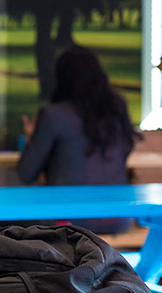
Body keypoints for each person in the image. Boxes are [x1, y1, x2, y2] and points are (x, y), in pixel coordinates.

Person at [15, 45, 141, 233]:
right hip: (119, 217)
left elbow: (26, 173)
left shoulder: (52, 115)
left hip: (69, 220)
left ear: (61, 79)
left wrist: (31, 137)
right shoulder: (116, 110)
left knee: (11, 223)